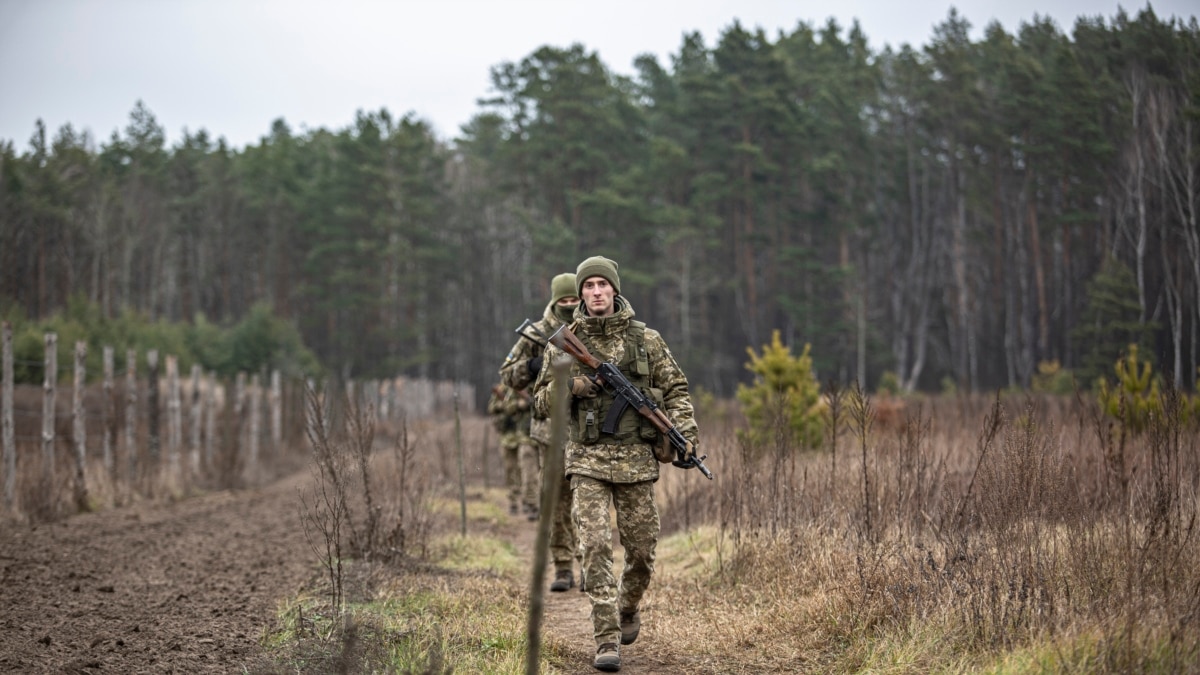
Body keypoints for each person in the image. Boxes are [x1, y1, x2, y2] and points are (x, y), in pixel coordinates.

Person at [531, 256, 699, 672]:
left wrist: (686, 434)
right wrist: (575, 385)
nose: (596, 292)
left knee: (641, 554)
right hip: (586, 460)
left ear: (615, 290)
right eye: (589, 286)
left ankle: (626, 608)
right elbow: (539, 402)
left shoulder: (646, 340)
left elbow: (675, 387)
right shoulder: (564, 341)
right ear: (581, 294)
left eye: (603, 285)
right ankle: (606, 640)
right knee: (596, 548)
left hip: (637, 463)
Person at [500, 273, 582, 587]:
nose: (570, 305)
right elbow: (507, 374)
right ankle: (563, 565)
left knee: (587, 501)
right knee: (555, 500)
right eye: (564, 301)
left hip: (589, 430)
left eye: (574, 300)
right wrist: (532, 367)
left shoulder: (590, 327)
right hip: (549, 430)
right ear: (553, 300)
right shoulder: (535, 334)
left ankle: (590, 563)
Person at [485, 382, 523, 515]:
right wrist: (504, 405)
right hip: (506, 436)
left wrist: (517, 405)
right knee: (509, 468)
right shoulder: (501, 390)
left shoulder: (522, 388)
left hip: (522, 435)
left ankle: (526, 498)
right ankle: (513, 500)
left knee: (522, 468)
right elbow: (491, 408)